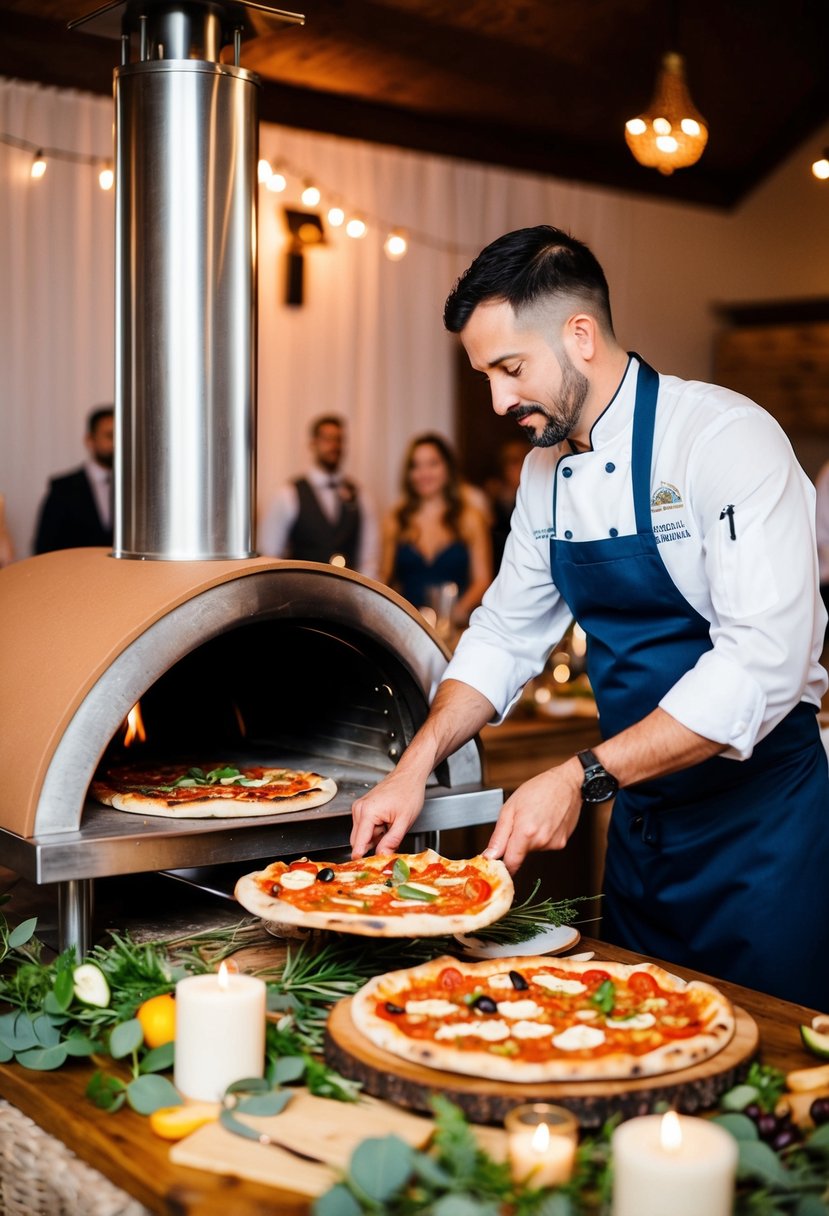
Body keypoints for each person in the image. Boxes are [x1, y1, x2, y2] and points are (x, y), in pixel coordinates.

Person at [351, 224, 829, 1010]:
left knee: (770, 1068)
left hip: (763, 832)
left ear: (579, 335)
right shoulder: (545, 475)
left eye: (509, 369)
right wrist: (413, 764)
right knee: (630, 1044)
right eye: (485, 376)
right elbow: (504, 633)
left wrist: (583, 774)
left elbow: (760, 667)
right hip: (646, 834)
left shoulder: (723, 439)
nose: (499, 400)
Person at [380, 433, 492, 628]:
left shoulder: (471, 518)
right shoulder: (396, 519)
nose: (424, 473)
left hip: (456, 628)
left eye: (433, 463)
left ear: (448, 468)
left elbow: (482, 581)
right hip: (406, 628)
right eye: (416, 466)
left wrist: (454, 615)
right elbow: (385, 578)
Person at [259, 414, 379, 578]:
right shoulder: (289, 493)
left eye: (339, 439)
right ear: (313, 444)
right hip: (301, 595)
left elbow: (369, 558)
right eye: (327, 439)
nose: (334, 445)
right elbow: (270, 554)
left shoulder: (361, 495)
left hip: (348, 597)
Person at [33, 406, 114, 554]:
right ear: (90, 440)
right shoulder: (63, 488)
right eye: (110, 436)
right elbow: (44, 548)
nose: (117, 443)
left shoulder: (138, 488)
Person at [485, 438, 526, 573]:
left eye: (516, 461)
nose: (511, 467)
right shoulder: (492, 496)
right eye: (507, 462)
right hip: (497, 564)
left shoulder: (536, 495)